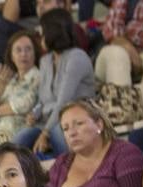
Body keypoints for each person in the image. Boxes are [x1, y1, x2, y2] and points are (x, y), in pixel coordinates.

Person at [23, 9, 96, 157]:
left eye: (42, 32)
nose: (40, 36)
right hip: (47, 121)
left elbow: (63, 103)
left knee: (57, 133)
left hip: (74, 118)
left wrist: (45, 132)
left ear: (53, 32)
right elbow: (42, 100)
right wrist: (35, 113)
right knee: (18, 141)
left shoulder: (76, 57)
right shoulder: (45, 61)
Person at [0, 30, 41, 154]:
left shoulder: (38, 76)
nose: (24, 54)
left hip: (10, 134)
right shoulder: (10, 79)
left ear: (35, 53)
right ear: (11, 56)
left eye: (28, 49)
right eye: (18, 50)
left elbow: (24, 105)